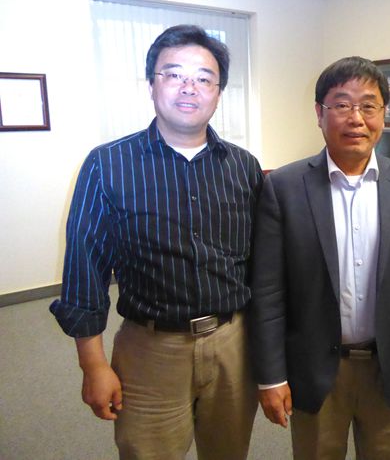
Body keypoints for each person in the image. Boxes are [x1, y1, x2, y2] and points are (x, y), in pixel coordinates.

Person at [50, 24, 262, 460]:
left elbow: (260, 264)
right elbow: (84, 269)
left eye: (203, 78)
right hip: (151, 350)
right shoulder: (107, 164)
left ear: (218, 93)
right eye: (174, 74)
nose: (189, 87)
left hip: (234, 344)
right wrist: (93, 364)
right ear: (152, 84)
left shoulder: (244, 166)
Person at [249, 56, 390, 459]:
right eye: (341, 105)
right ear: (320, 114)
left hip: (386, 365)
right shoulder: (283, 187)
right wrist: (270, 377)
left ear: (383, 115)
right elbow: (267, 292)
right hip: (315, 368)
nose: (356, 118)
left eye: (368, 106)